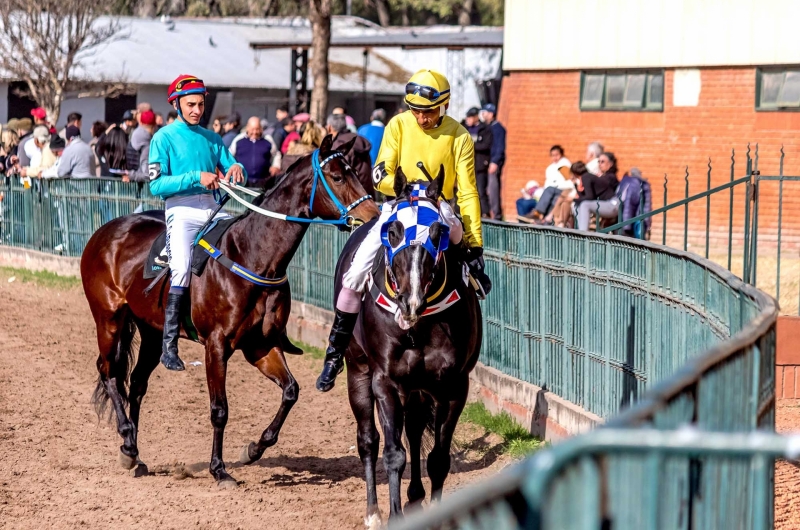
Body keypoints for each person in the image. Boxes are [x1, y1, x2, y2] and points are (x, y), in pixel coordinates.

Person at [316, 68, 489, 392]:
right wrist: (403, 184)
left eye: (429, 111)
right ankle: (335, 351)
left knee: (460, 255)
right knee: (355, 272)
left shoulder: (460, 135)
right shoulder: (397, 125)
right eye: (417, 111)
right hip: (400, 204)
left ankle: (464, 337)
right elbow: (382, 171)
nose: (422, 118)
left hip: (439, 206)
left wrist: (474, 242)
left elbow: (467, 189)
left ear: (444, 106)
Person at [149, 74, 246, 371]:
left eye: (201, 104)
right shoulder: (162, 138)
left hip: (214, 208)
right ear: (177, 104)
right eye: (190, 104)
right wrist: (195, 177)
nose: (196, 110)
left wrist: (237, 168)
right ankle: (169, 346)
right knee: (181, 268)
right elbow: (155, 185)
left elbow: (231, 164)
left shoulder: (213, 139)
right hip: (182, 210)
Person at [576, 152, 621, 231]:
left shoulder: (610, 177)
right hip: (605, 203)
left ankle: (582, 235)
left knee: (584, 205)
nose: (600, 164)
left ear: (610, 164)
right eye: (598, 161)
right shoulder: (602, 176)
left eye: (602, 162)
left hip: (612, 203)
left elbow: (592, 194)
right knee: (578, 205)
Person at [461, 107, 493, 216]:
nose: (468, 120)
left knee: (480, 190)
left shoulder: (484, 129)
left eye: (470, 117)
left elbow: (486, 145)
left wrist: (471, 145)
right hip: (466, 164)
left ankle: (485, 212)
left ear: (475, 117)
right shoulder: (464, 128)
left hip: (479, 165)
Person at [528, 145, 573, 219]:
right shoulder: (550, 168)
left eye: (557, 155)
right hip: (553, 193)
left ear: (561, 154)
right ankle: (542, 220)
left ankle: (538, 211)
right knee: (552, 201)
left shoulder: (565, 164)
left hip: (563, 189)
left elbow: (568, 181)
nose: (555, 157)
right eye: (553, 155)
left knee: (550, 190)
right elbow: (548, 182)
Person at [480, 103, 505, 219]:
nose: (483, 115)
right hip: (486, 163)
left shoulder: (497, 128)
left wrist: (495, 161)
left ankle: (497, 216)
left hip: (493, 164)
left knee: (493, 189)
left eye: (485, 112)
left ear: (491, 114)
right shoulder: (488, 127)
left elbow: (499, 147)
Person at [234, 116, 273, 189]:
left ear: (261, 129)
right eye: (252, 129)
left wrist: (276, 165)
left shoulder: (268, 140)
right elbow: (229, 155)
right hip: (243, 182)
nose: (255, 132)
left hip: (263, 182)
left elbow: (276, 155)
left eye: (257, 129)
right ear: (247, 128)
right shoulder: (238, 140)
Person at [617, 167, 652, 239]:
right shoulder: (643, 184)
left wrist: (627, 225)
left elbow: (629, 204)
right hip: (639, 216)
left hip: (629, 218)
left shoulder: (630, 182)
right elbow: (647, 205)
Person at [125, 110, 156, 182]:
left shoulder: (134, 134)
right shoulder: (147, 142)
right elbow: (148, 174)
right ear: (154, 124)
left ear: (141, 122)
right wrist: (132, 175)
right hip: (142, 186)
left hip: (133, 183)